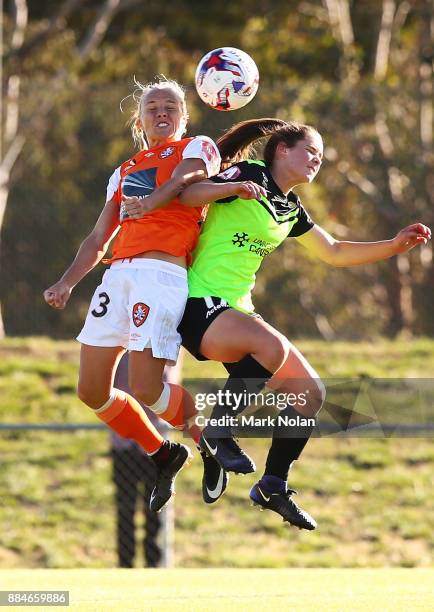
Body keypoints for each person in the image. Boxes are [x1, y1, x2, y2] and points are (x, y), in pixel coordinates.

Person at [173, 118, 431, 529]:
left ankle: (273, 485)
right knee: (271, 348)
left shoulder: (290, 208)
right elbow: (189, 195)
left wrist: (394, 246)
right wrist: (231, 187)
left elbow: (335, 251)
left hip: (237, 310)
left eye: (321, 156)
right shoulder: (251, 174)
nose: (317, 160)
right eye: (310, 151)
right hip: (198, 301)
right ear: (281, 151)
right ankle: (217, 433)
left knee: (310, 394)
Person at [43, 76, 230, 513]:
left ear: (184, 116)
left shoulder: (196, 146)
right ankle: (164, 453)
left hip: (160, 275)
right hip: (117, 277)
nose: (161, 113)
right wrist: (67, 282)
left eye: (170, 107)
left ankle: (212, 441)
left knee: (148, 389)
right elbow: (97, 238)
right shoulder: (123, 171)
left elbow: (188, 179)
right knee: (91, 391)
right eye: (152, 108)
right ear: (140, 119)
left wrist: (152, 203)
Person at [111, 353, 181, 567]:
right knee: (125, 507)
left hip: (155, 444)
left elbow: (171, 385)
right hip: (123, 444)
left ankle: (154, 563)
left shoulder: (163, 345)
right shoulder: (118, 348)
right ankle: (125, 564)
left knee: (155, 507)